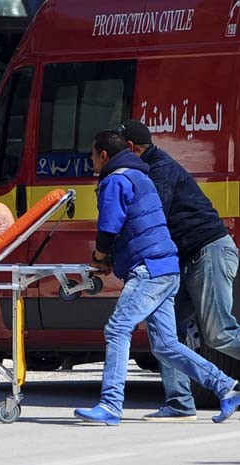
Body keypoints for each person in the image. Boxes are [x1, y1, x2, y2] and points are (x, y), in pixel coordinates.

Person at [73, 131, 240, 426]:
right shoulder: (142, 177)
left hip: (149, 269)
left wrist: (100, 258)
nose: (91, 162)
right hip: (167, 267)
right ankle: (225, 387)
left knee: (117, 329)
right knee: (165, 344)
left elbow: (110, 227)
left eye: (92, 155)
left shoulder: (114, 180)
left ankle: (111, 404)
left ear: (104, 155)